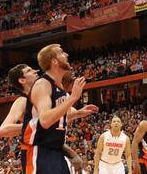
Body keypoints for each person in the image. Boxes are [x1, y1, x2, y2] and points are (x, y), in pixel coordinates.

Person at [0, 63, 98, 173]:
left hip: (56, 150)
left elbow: (57, 119)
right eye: (29, 71)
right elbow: (4, 130)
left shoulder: (48, 95)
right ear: (22, 80)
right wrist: (35, 125)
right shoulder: (22, 101)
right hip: (37, 154)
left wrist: (79, 113)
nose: (35, 71)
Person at [20, 44, 97, 174]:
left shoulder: (59, 87)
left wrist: (78, 113)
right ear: (54, 61)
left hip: (56, 150)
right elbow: (45, 120)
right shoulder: (43, 84)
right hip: (38, 150)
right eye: (61, 52)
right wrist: (73, 98)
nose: (66, 55)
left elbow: (60, 114)